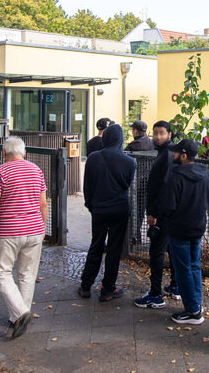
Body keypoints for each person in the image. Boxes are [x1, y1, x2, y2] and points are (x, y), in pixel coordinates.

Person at [0, 136, 48, 339]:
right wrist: (42, 227)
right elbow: (43, 204)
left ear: (3, 153)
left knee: (1, 273)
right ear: (24, 152)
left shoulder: (0, 171)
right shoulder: (36, 170)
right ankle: (18, 316)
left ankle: (20, 313)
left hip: (9, 231)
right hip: (34, 230)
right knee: (27, 274)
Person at [159, 139, 209, 324]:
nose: (172, 155)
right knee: (194, 266)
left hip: (179, 229)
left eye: (175, 152)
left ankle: (192, 311)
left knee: (183, 269)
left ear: (183, 155)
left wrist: (165, 216)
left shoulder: (176, 177)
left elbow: (168, 206)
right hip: (197, 228)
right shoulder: (205, 174)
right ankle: (196, 303)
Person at [79, 124, 136, 302]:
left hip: (99, 209)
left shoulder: (94, 158)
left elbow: (87, 186)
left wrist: (91, 205)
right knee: (114, 249)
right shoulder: (129, 162)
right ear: (120, 139)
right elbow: (127, 185)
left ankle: (86, 285)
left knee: (96, 245)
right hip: (119, 209)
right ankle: (108, 288)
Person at [134, 120, 180, 309]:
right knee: (171, 249)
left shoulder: (165, 156)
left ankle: (155, 294)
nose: (158, 136)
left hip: (162, 214)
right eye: (155, 133)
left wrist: (153, 213)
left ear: (169, 134)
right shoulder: (170, 154)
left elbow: (161, 188)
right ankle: (175, 286)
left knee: (157, 253)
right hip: (171, 212)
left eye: (162, 133)